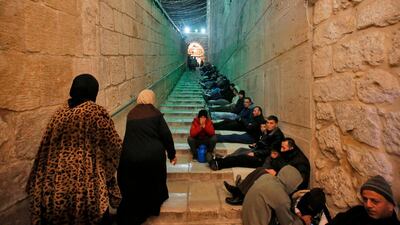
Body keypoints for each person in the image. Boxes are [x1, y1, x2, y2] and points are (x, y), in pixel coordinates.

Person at [26, 74, 122, 225]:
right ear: (93, 92)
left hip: (55, 188)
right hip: (86, 190)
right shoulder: (95, 113)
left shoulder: (58, 115)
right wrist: (103, 174)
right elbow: (115, 148)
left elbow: (43, 152)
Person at [117, 89, 177, 225]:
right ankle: (151, 206)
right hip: (152, 156)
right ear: (151, 99)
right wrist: (172, 155)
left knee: (136, 183)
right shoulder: (155, 114)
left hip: (131, 155)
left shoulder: (131, 114)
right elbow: (166, 136)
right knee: (153, 180)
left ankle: (136, 209)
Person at [223, 137, 310, 205]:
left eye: (283, 148)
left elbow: (298, 183)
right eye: (281, 147)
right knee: (260, 170)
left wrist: (277, 174)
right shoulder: (289, 153)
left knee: (263, 173)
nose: (281, 150)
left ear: (291, 148)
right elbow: (282, 166)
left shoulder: (301, 162)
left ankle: (243, 197)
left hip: (288, 187)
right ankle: (239, 190)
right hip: (281, 178)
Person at [209, 115, 284, 171]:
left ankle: (218, 164)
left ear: (276, 124)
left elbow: (270, 151)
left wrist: (255, 154)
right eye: (267, 123)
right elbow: (264, 143)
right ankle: (222, 159)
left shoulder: (278, 136)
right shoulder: (268, 132)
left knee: (241, 158)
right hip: (258, 151)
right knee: (241, 150)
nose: (268, 125)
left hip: (263, 159)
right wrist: (257, 144)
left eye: (271, 123)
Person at [242, 165, 309, 225]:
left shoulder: (266, 177)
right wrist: (302, 221)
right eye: (295, 186)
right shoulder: (282, 198)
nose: (295, 189)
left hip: (247, 217)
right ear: (292, 184)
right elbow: (287, 223)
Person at [328, 175, 400, 225]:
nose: (368, 205)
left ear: (390, 205)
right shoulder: (357, 212)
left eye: (374, 201)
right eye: (365, 199)